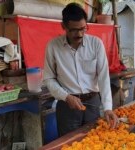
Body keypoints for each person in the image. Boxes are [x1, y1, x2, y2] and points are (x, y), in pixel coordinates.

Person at [43, 3, 118, 137]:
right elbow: (49, 78)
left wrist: (107, 107)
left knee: (95, 140)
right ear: (63, 26)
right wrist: (66, 97)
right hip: (67, 106)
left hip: (92, 103)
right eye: (74, 30)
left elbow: (103, 78)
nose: (79, 34)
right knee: (70, 143)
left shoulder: (96, 44)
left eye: (83, 29)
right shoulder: (53, 46)